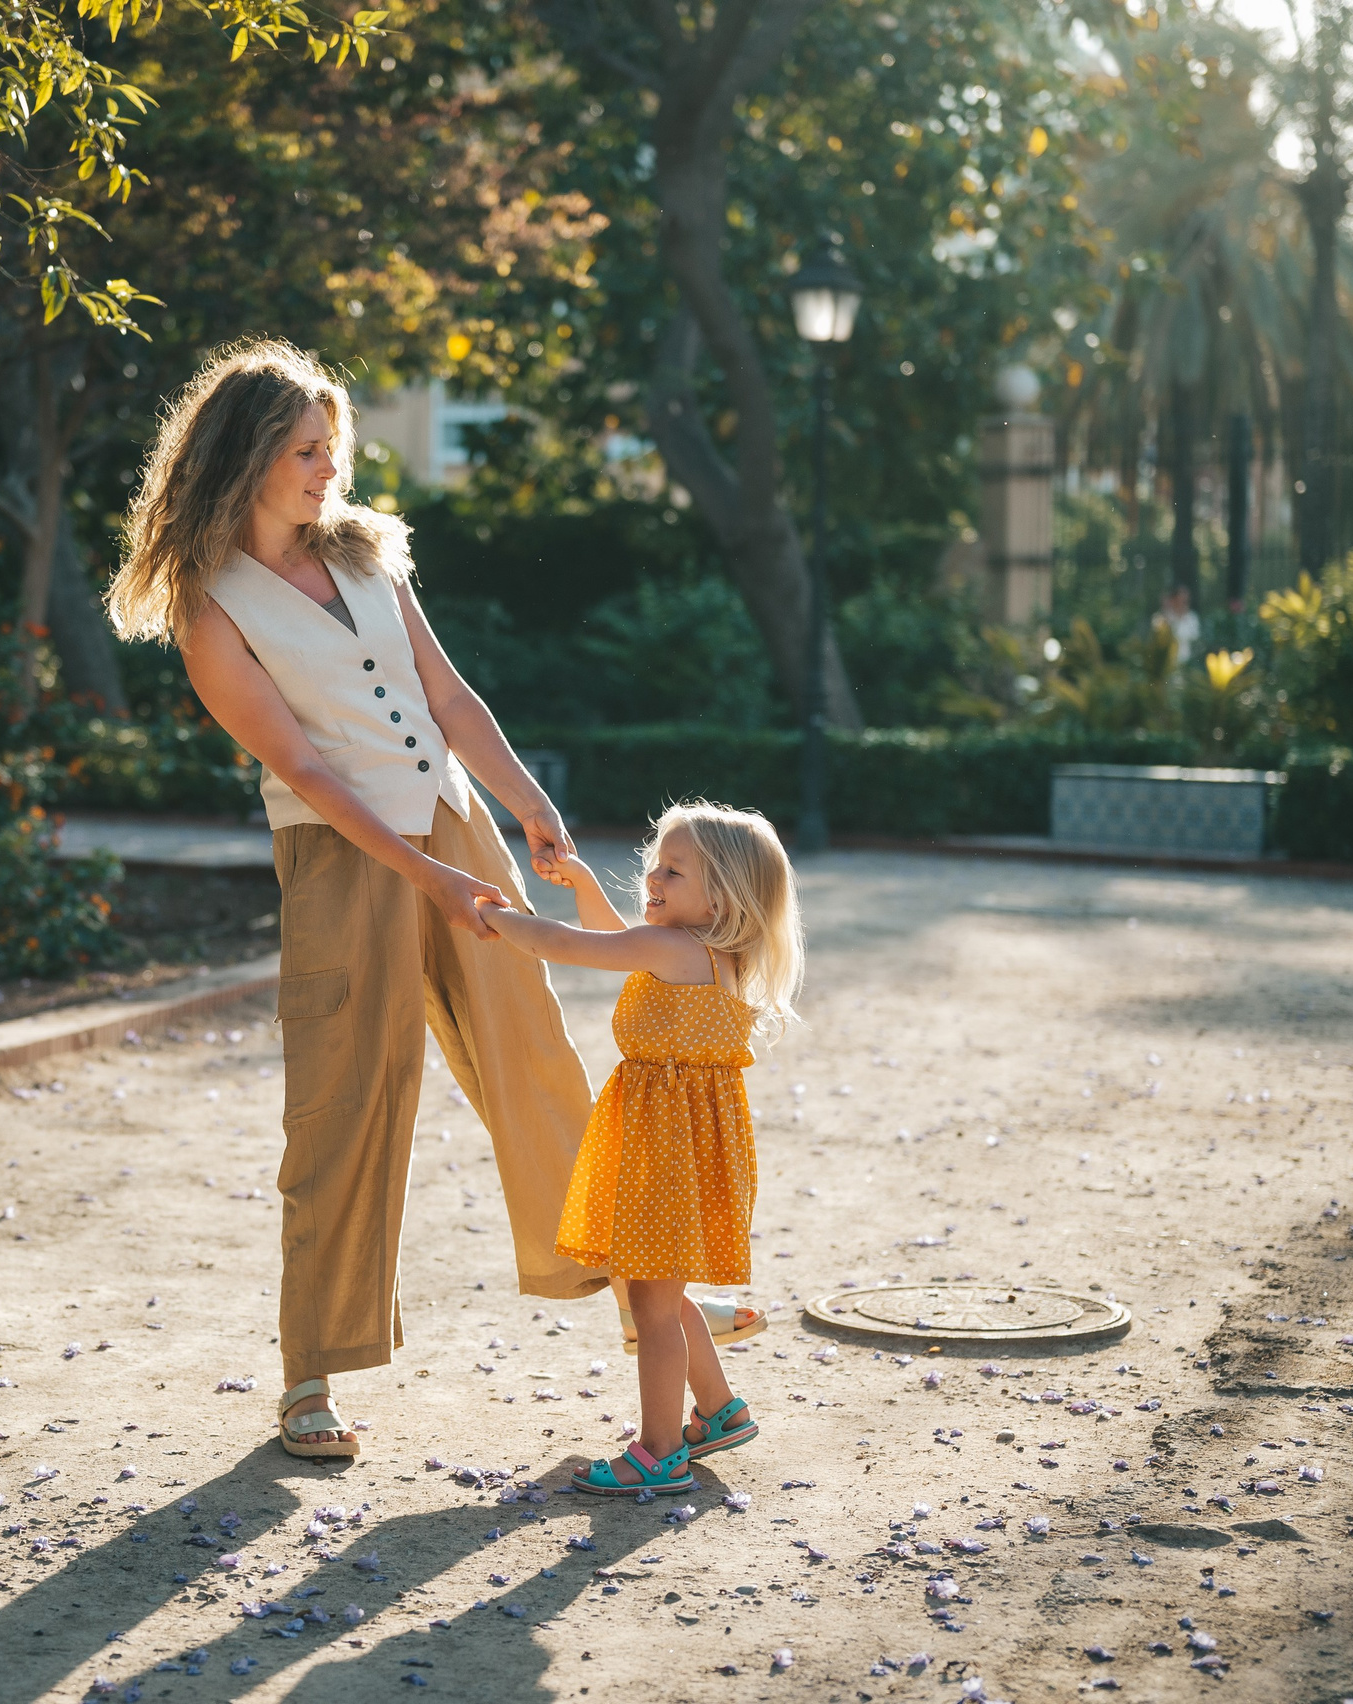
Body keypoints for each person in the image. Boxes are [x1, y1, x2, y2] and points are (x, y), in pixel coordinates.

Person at [104, 340, 759, 1460]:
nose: (327, 470)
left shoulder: (368, 553)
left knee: (535, 1061)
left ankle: (652, 1307)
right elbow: (307, 773)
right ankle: (310, 1377)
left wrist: (526, 803)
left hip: (453, 828)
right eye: (307, 452)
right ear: (251, 455)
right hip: (341, 859)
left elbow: (449, 699)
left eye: (331, 449)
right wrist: (425, 875)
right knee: (343, 1107)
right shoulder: (210, 610)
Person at [474, 802, 803, 1495]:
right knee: (663, 1288)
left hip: (664, 1149)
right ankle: (718, 1411)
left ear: (724, 894)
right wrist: (585, 881)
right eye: (655, 862)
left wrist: (497, 919)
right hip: (689, 1148)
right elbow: (613, 936)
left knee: (652, 1307)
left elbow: (576, 947)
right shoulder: (712, 952)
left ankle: (659, 1452)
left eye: (674, 870)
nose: (654, 877)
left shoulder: (672, 951)